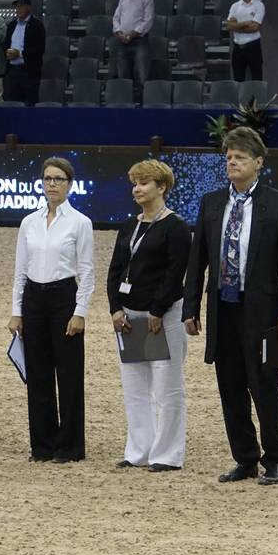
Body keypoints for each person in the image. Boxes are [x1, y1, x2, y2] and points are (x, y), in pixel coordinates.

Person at [182, 126, 278, 485]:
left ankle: (275, 459)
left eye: (240, 158)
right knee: (230, 387)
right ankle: (245, 458)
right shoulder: (212, 202)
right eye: (229, 158)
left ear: (258, 163)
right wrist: (191, 307)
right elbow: (198, 259)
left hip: (263, 312)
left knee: (265, 385)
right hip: (223, 308)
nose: (232, 163)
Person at [8, 157, 94, 463]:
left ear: (70, 184)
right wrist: (16, 310)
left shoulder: (80, 223)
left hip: (63, 297)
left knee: (69, 373)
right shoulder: (29, 222)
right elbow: (20, 269)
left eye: (58, 179)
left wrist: (80, 311)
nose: (52, 184)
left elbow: (86, 271)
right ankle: (42, 445)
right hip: (34, 297)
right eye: (47, 179)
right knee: (39, 374)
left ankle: (70, 446)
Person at [107, 160, 191, 472]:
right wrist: (115, 307)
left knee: (167, 387)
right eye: (135, 183)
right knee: (135, 388)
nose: (137, 189)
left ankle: (167, 453)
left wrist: (158, 309)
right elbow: (116, 268)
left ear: (162, 187)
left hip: (163, 317)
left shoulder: (176, 227)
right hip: (128, 317)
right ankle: (138, 449)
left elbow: (175, 272)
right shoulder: (129, 226)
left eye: (144, 183)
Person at [112, 0, 154, 104]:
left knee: (142, 77)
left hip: (139, 42)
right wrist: (119, 33)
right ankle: (125, 106)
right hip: (122, 42)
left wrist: (131, 35)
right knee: (124, 78)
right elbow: (116, 18)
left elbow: (147, 21)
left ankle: (143, 107)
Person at [3, 0, 45, 105]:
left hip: (29, 72)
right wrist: (7, 52)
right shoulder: (12, 25)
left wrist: (20, 54)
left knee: (29, 105)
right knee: (11, 104)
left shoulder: (37, 25)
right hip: (12, 71)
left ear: (29, 8)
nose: (18, 9)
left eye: (22, 6)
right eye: (17, 7)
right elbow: (6, 44)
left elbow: (39, 49)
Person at [226, 0, 265, 82]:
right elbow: (228, 25)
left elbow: (254, 28)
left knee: (256, 80)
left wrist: (236, 26)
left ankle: (256, 100)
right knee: (238, 80)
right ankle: (240, 100)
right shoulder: (235, 6)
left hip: (253, 47)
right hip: (238, 47)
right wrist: (246, 23)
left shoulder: (259, 5)